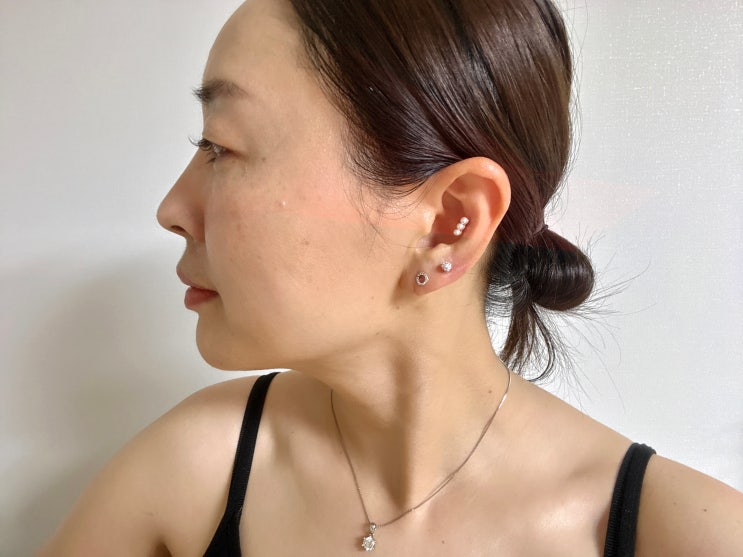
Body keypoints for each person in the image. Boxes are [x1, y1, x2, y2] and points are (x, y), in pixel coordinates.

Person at [39, 0, 742, 555]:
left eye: (220, 146)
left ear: (450, 224)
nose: (172, 208)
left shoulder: (685, 535)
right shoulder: (195, 470)